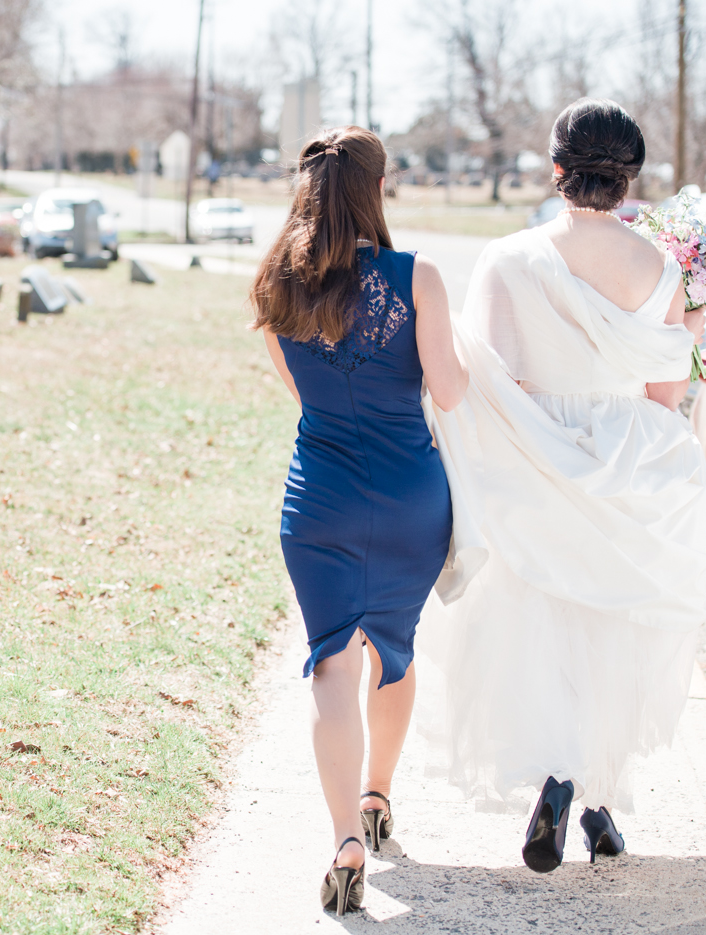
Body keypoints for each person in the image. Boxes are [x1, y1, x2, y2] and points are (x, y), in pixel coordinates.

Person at [420, 99, 706, 873]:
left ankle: (559, 787)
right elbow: (663, 396)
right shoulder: (666, 268)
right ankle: (599, 803)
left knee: (540, 628)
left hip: (539, 457)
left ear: (557, 169)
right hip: (630, 458)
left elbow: (496, 376)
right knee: (610, 634)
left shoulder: (510, 258)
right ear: (631, 179)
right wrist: (694, 331)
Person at [251, 126, 467, 916]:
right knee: (393, 654)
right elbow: (449, 391)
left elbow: (299, 392)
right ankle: (378, 796)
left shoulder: (276, 281)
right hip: (411, 497)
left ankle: (344, 838)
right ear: (377, 190)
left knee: (332, 664)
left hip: (319, 499)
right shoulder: (418, 277)